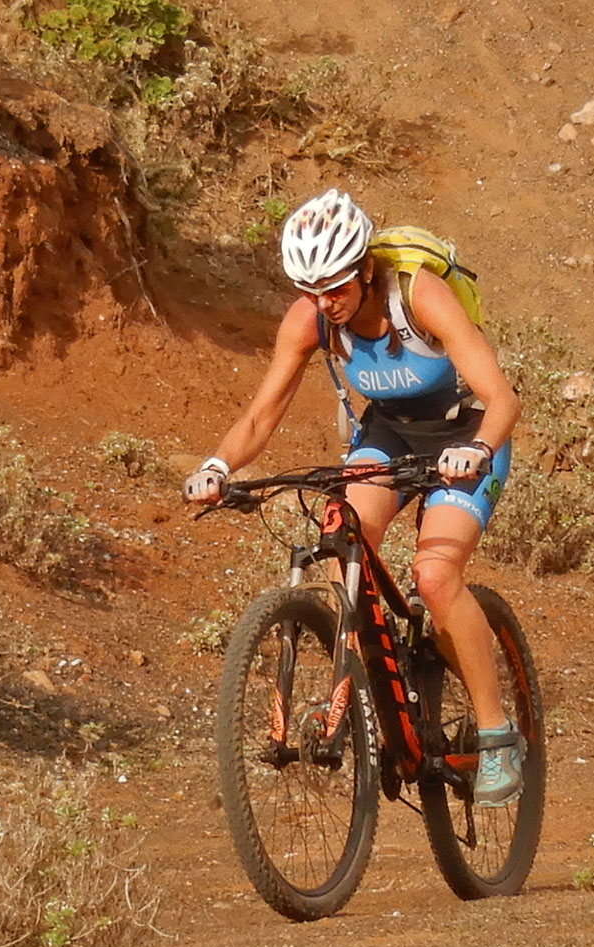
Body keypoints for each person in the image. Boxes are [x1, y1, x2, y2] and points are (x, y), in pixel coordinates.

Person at [182, 188, 525, 807]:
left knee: (434, 575)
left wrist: (476, 449)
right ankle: (379, 679)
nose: (326, 303)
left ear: (366, 269)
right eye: (311, 290)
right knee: (343, 536)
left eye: (336, 287)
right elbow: (261, 417)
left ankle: (498, 734)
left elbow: (503, 398)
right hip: (390, 434)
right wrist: (216, 465)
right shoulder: (310, 318)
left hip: (467, 430)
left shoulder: (419, 294)